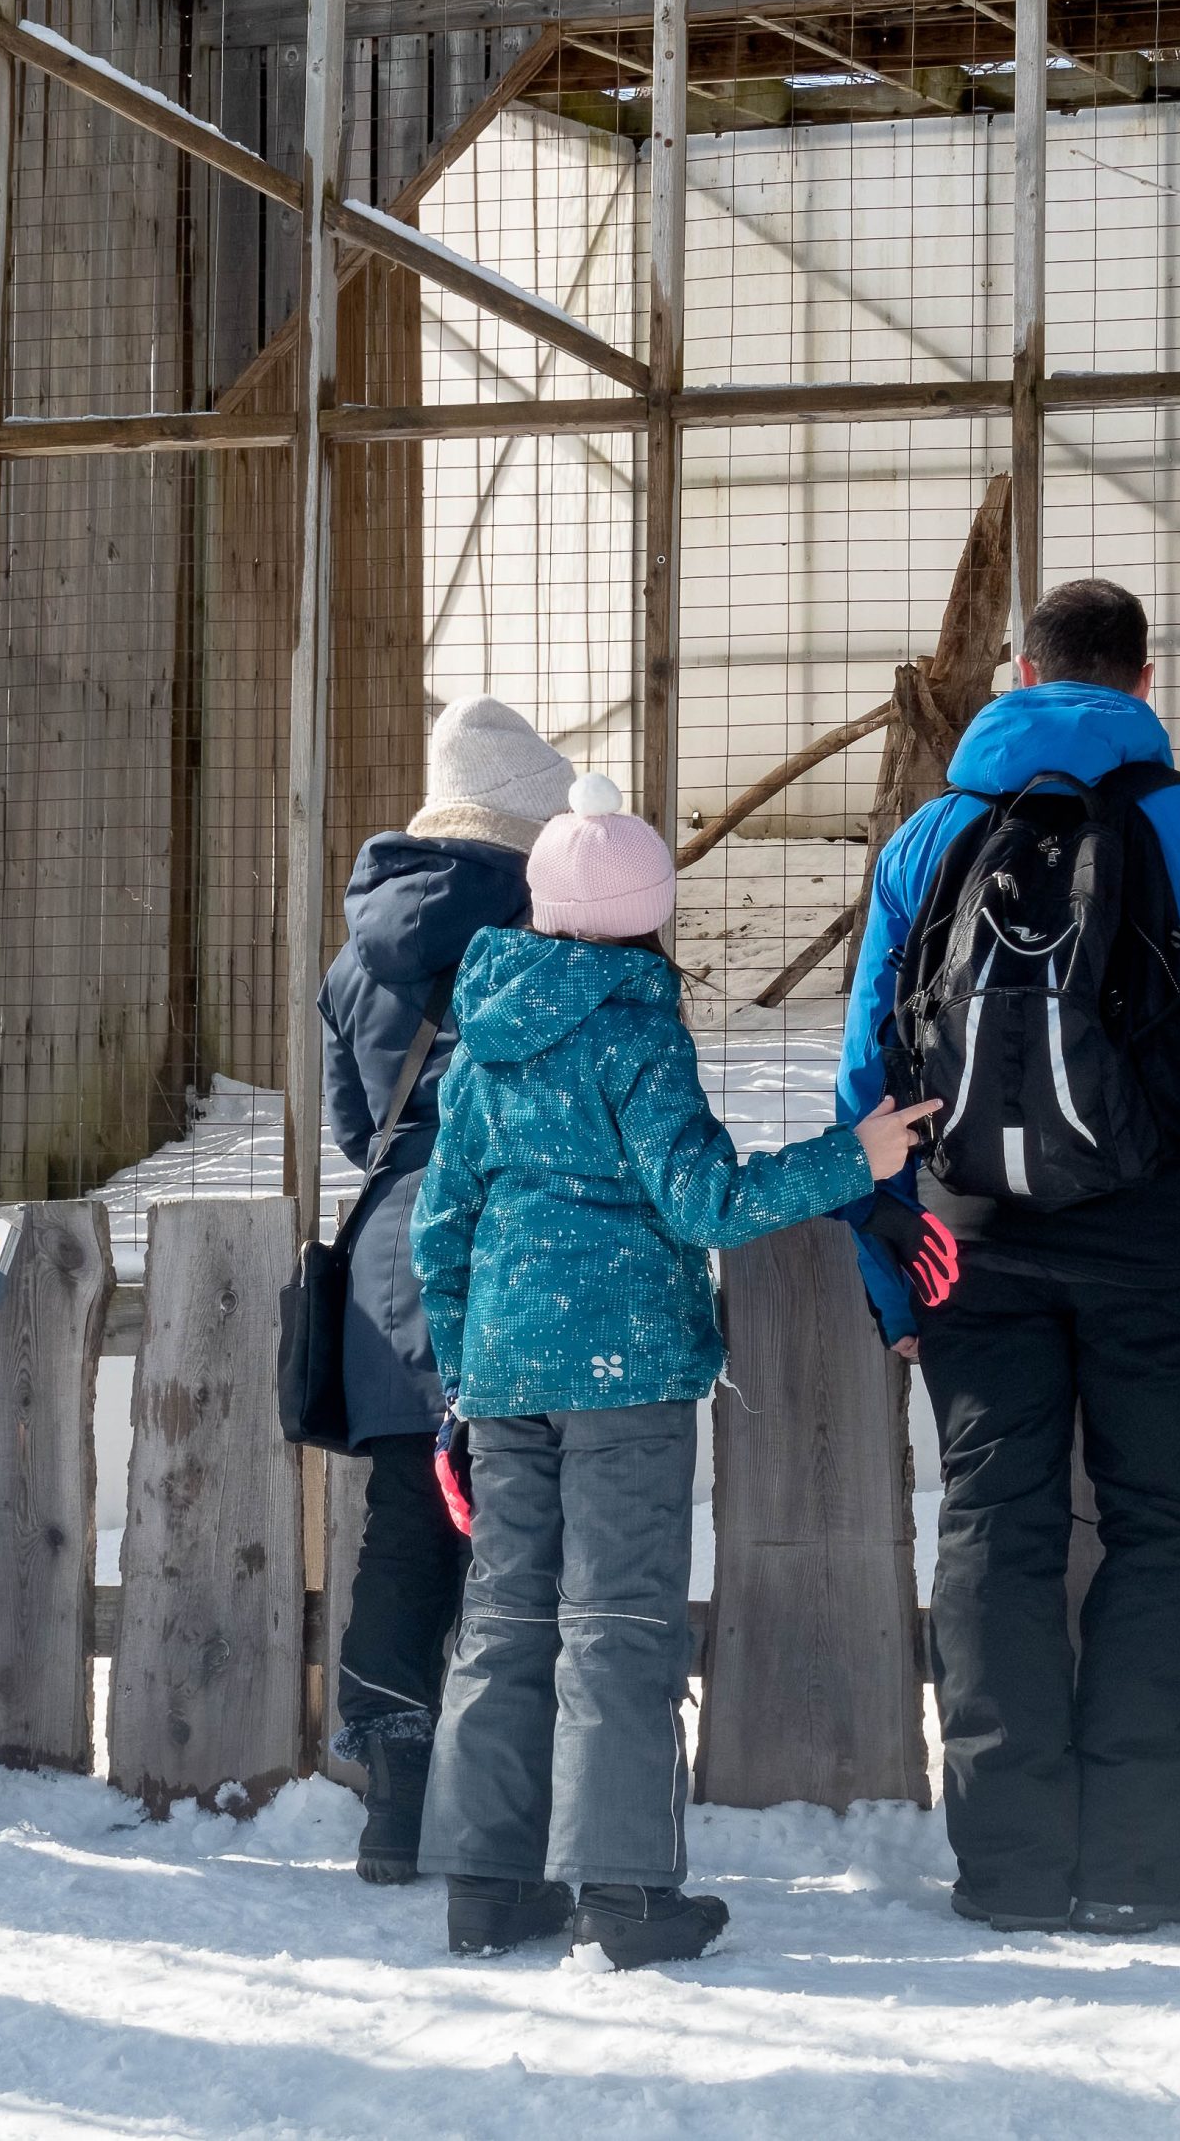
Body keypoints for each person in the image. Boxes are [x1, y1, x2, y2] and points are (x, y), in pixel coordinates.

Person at [839, 577, 1180, 1936]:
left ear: (1015, 671)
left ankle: (1004, 1862)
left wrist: (897, 1276)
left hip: (972, 1241)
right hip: (1170, 1233)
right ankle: (1140, 1858)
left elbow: (863, 1081)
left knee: (995, 1529)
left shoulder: (930, 836)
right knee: (1164, 1531)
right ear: (1144, 681)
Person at [411, 772, 944, 1966]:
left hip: (503, 1369)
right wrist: (849, 1157)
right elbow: (704, 1201)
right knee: (615, 1624)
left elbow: (437, 1227)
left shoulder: (482, 1035)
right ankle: (626, 1893)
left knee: (503, 1623)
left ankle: (486, 1885)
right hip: (625, 1369)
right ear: (650, 913)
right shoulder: (637, 1028)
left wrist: (461, 1373)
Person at [316, 693, 574, 1883]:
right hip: (517, 1248)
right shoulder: (555, 928)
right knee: (518, 1527)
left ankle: (392, 1802)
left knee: (405, 1531)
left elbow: (349, 1125)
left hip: (389, 1262)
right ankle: (510, 1804)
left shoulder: (354, 948)